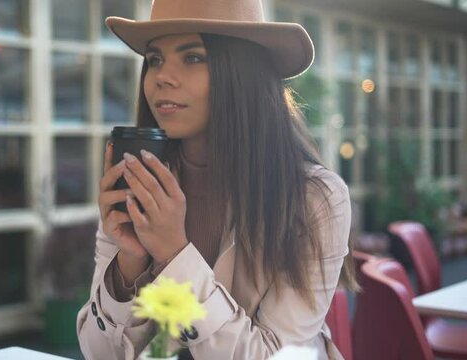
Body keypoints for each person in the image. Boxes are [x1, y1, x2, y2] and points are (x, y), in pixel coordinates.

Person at [76, 0, 356, 359]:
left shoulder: (315, 200)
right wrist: (128, 266)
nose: (162, 76)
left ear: (242, 71)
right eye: (155, 59)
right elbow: (101, 355)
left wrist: (174, 255)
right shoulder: (143, 184)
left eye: (192, 57)